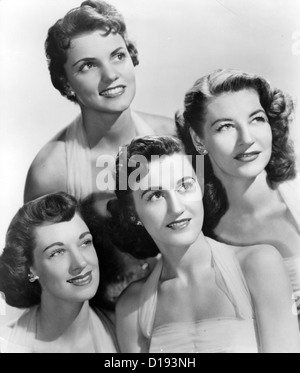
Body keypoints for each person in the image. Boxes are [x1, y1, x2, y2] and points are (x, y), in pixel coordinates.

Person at [23, 0, 174, 310]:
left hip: (182, 313)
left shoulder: (176, 139)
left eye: (118, 56)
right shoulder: (51, 171)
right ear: (66, 82)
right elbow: (44, 284)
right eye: (88, 65)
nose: (110, 76)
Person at [109, 135, 300, 353]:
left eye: (184, 186)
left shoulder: (259, 265)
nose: (176, 207)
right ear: (134, 213)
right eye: (155, 195)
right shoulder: (132, 308)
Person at [176, 69, 300, 323]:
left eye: (256, 119)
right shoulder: (199, 233)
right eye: (226, 127)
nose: (246, 139)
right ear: (199, 140)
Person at [0, 192, 118, 353]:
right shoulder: (7, 345)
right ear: (30, 269)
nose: (80, 262)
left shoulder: (123, 333)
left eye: (85, 242)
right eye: (57, 252)